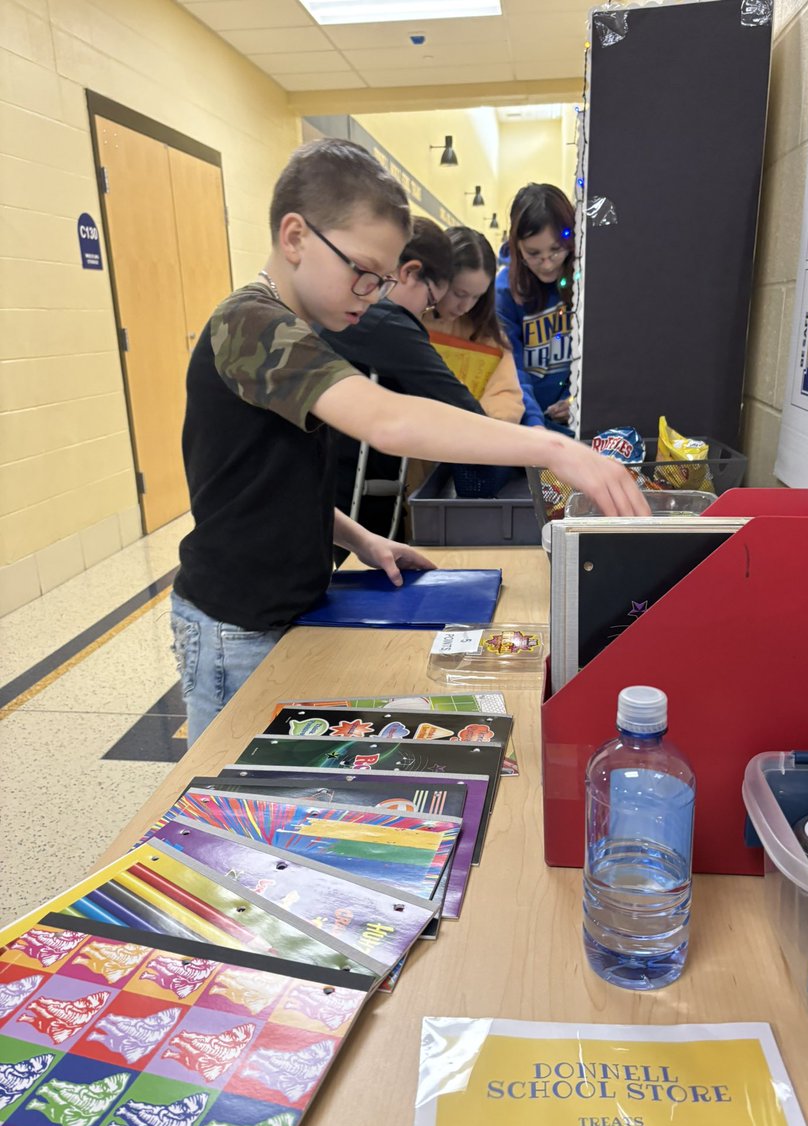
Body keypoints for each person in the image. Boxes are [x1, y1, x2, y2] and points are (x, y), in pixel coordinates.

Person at [171, 138, 648, 745]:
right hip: (233, 622)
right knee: (220, 789)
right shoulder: (250, 324)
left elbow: (274, 479)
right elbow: (388, 421)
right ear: (295, 237)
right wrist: (556, 449)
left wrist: (364, 539)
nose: (371, 294)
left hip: (292, 606)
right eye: (363, 273)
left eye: (383, 279)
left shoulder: (300, 331)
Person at [321, 217, 483, 537]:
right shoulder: (385, 322)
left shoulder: (344, 311)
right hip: (347, 498)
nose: (424, 314)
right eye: (429, 302)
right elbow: (465, 409)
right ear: (408, 272)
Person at [423, 226, 524, 497]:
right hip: (411, 456)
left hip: (468, 457)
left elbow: (507, 397)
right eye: (459, 293)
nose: (466, 305)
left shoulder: (489, 334)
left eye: (477, 296)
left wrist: (477, 435)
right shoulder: (411, 322)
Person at [495, 183, 576, 435]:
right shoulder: (505, 291)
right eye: (533, 253)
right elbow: (512, 368)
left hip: (579, 425)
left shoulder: (584, 279)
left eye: (556, 250)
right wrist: (534, 425)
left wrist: (576, 400)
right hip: (531, 430)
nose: (547, 264)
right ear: (517, 246)